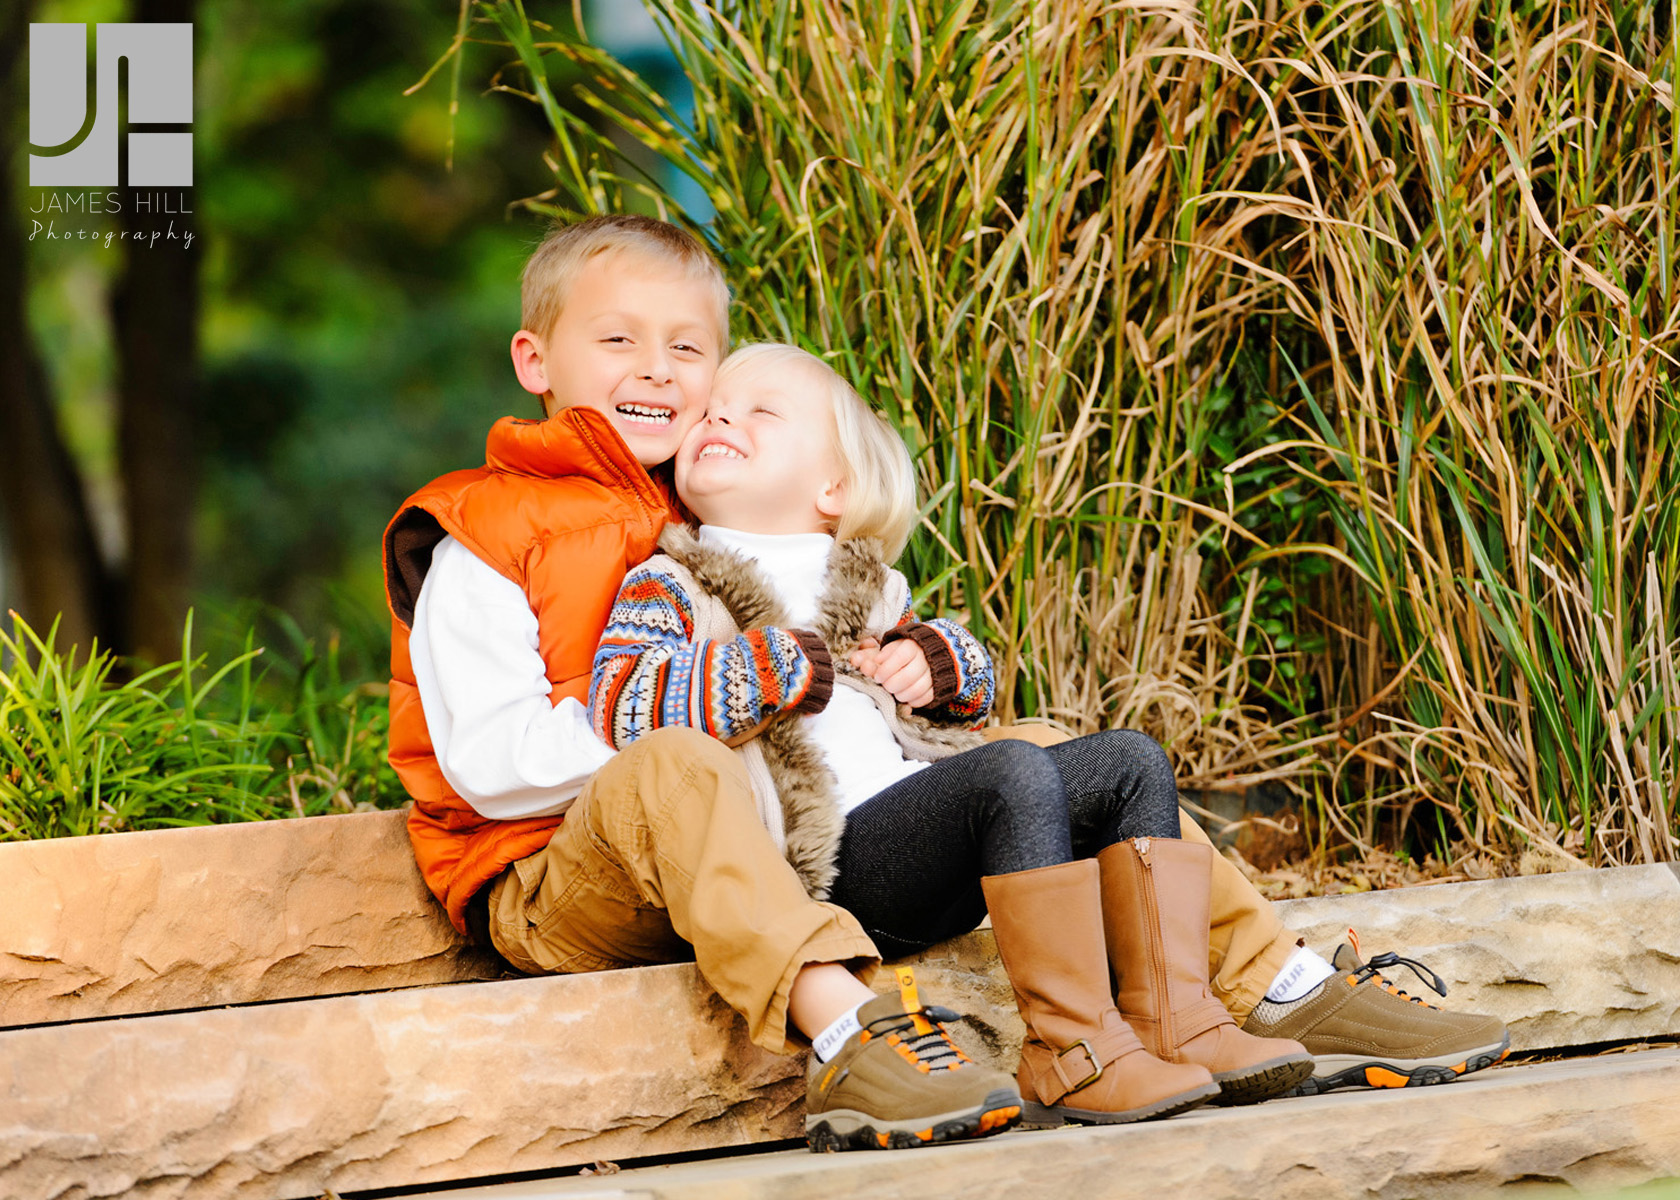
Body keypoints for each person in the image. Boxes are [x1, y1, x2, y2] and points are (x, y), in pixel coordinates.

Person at [588, 343, 1512, 1115]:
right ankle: (1071, 1052)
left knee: (1125, 762)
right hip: (828, 866)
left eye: (760, 411)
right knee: (1014, 771)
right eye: (714, 411)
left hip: (929, 828)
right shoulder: (675, 581)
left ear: (834, 486)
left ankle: (1176, 1017)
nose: (717, 419)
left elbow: (973, 691)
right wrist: (760, 668)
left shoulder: (868, 587)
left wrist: (938, 663)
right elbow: (623, 704)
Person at [381, 216, 1023, 1153]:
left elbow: (832, 650)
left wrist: (915, 664)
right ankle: (851, 1031)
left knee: (1034, 757)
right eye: (617, 339)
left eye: (686, 348)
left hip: (754, 837)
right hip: (555, 875)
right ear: (535, 360)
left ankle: (1258, 980)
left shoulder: (716, 501)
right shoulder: (484, 533)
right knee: (675, 764)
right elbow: (490, 766)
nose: (655, 369)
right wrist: (713, 704)